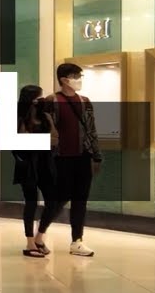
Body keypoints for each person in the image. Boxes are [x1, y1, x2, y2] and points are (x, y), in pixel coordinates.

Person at [43, 63, 102, 257]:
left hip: (83, 157)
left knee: (80, 199)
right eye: (75, 75)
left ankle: (77, 240)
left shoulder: (85, 101)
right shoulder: (52, 101)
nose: (79, 79)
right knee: (59, 199)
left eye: (80, 75)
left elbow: (91, 130)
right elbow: (46, 131)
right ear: (64, 80)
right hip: (61, 158)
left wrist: (96, 155)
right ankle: (40, 233)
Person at [12, 85, 58, 258]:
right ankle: (29, 241)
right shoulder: (18, 118)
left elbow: (55, 139)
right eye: (39, 97)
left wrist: (36, 141)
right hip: (27, 165)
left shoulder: (46, 117)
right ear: (30, 99)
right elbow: (18, 142)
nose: (42, 100)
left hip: (46, 163)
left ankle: (40, 237)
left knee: (52, 202)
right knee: (31, 203)